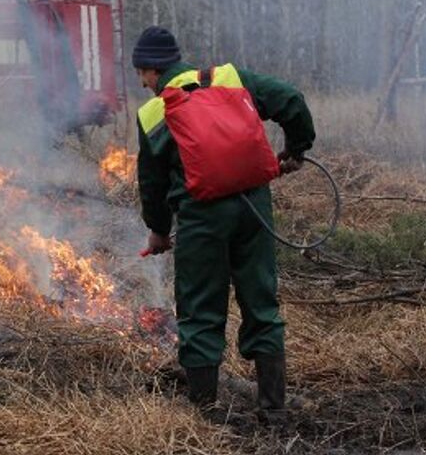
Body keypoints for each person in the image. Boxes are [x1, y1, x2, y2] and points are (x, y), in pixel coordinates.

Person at [133, 26, 315, 422]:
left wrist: (159, 229)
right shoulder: (231, 78)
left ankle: (204, 416)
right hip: (254, 206)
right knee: (262, 303)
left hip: (201, 216)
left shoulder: (154, 112)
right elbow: (292, 99)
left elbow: (152, 183)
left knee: (200, 309)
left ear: (150, 69)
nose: (143, 84)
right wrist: (296, 149)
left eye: (142, 75)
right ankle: (274, 408)